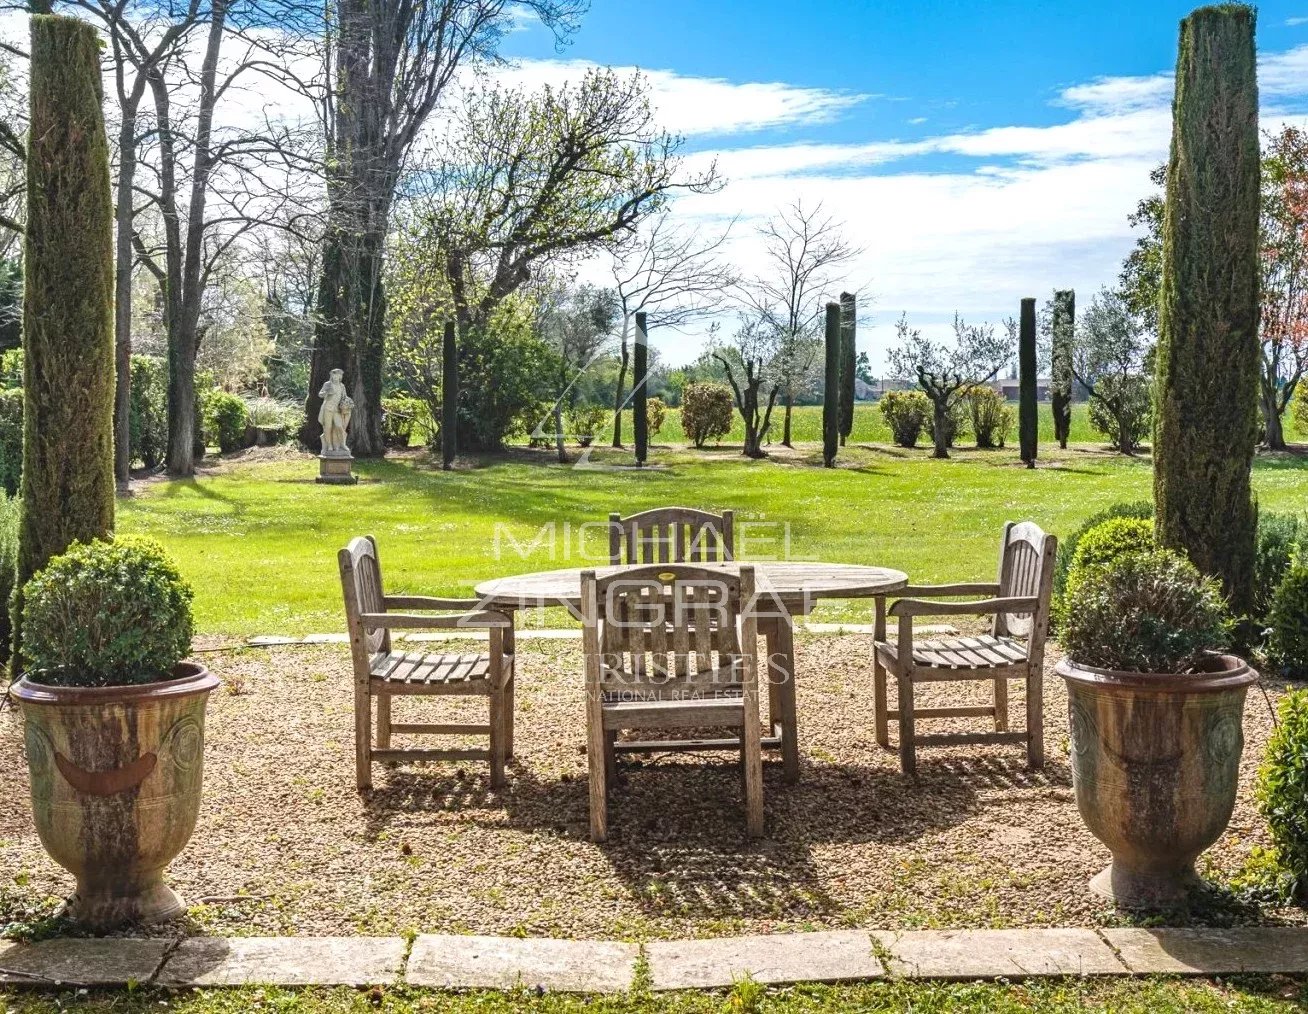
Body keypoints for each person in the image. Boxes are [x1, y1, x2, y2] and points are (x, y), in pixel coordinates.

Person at [318, 368, 354, 454]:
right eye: (333, 376)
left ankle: (342, 444)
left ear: (340, 377)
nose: (335, 378)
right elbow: (320, 394)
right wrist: (326, 393)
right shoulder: (327, 384)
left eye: (337, 376)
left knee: (339, 426)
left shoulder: (342, 386)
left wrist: (347, 404)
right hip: (328, 408)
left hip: (337, 409)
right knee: (328, 427)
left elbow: (344, 397)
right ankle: (329, 445)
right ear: (331, 376)